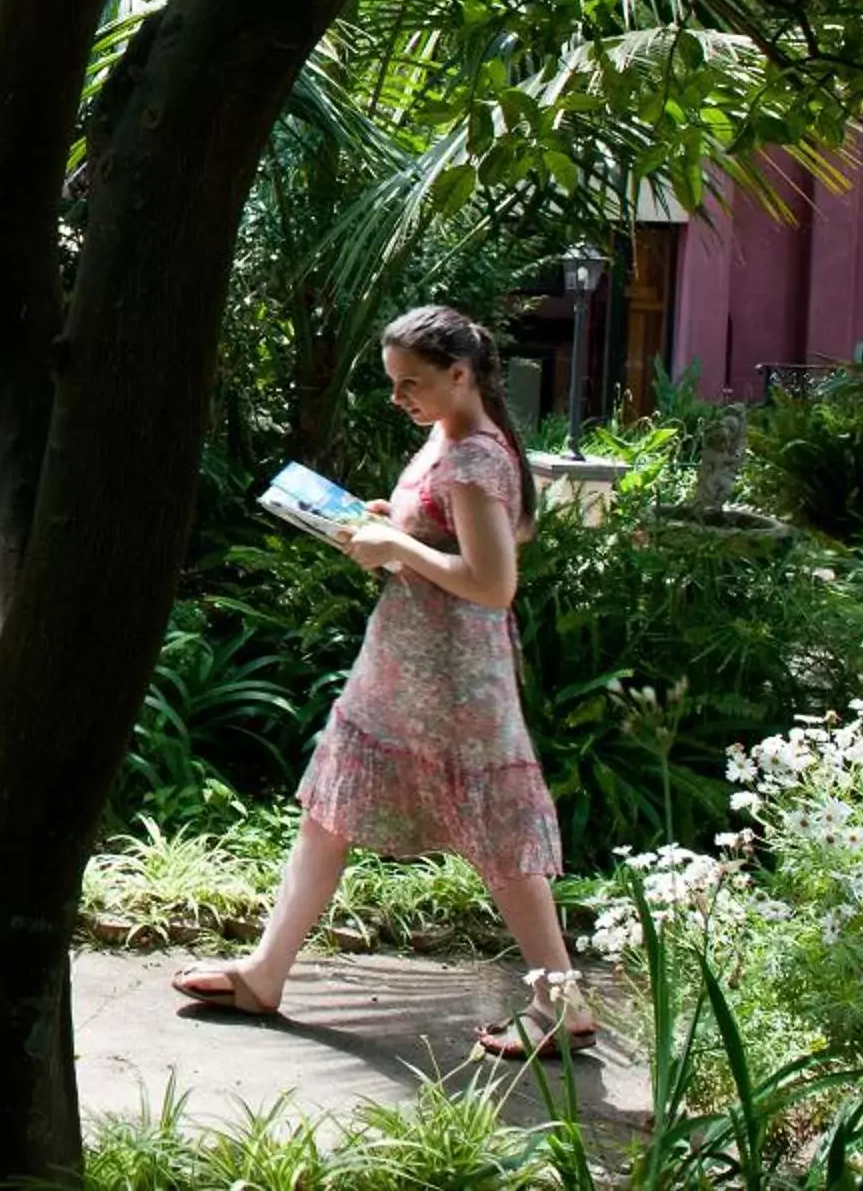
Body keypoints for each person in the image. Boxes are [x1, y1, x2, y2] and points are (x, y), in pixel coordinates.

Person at [169, 304, 596, 1059]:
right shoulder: (452, 438)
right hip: (406, 666)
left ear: (461, 375)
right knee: (328, 811)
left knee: (500, 838)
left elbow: (494, 581)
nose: (400, 398)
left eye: (412, 384)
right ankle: (267, 972)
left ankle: (559, 999)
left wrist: (397, 541)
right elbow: (463, 534)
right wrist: (388, 522)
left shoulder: (473, 455)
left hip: (452, 681)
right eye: (394, 384)